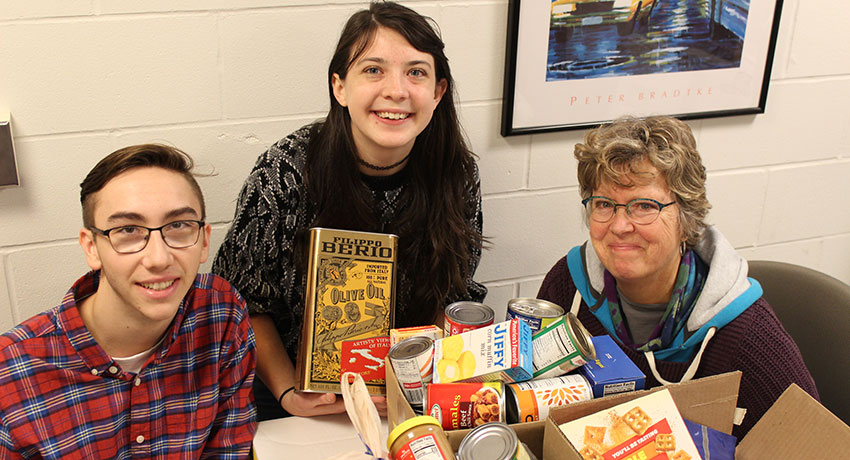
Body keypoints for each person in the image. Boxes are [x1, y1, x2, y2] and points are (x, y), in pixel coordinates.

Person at [213, 1, 487, 421]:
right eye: (373, 70)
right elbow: (242, 299)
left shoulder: (456, 172)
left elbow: (451, 290)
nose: (396, 90)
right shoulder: (286, 170)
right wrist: (290, 394)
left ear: (438, 91)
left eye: (416, 72)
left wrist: (415, 383)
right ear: (340, 87)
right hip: (292, 393)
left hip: (404, 389)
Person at [537, 116, 818, 439]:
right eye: (604, 204)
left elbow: (813, 443)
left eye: (644, 206)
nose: (619, 226)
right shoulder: (567, 287)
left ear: (686, 218)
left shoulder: (747, 336)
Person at [0, 145, 257, 458]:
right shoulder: (12, 373)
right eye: (128, 230)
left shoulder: (220, 312)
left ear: (203, 241)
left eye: (178, 226)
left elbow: (228, 448)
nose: (159, 258)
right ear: (92, 247)